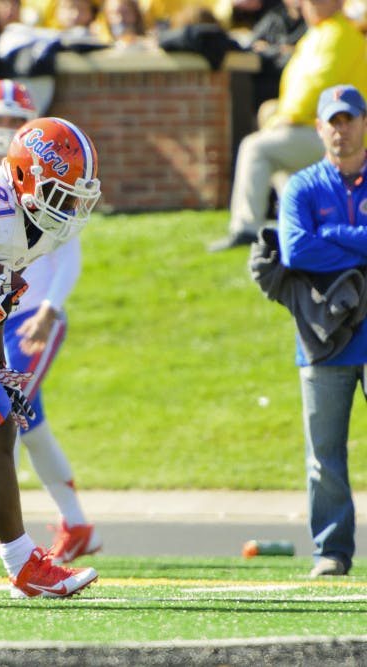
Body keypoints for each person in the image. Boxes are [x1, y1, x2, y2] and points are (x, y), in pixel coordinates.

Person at [0, 80, 100, 567]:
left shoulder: (45, 169)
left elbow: (70, 250)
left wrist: (50, 308)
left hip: (29, 314)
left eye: (14, 119)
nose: (3, 128)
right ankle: (77, 523)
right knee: (33, 424)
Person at [274, 84, 367, 577]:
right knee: (323, 457)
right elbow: (295, 251)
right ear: (319, 128)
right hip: (322, 339)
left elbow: (316, 245)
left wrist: (332, 234)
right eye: (332, 120)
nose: (341, 128)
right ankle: (332, 551)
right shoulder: (303, 186)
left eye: (349, 118)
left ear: (364, 123)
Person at [207, 0, 367, 252]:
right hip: (313, 129)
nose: (307, 6)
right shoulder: (319, 34)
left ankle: (247, 228)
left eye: (314, 1)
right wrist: (279, 114)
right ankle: (296, 225)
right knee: (279, 159)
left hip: (340, 137)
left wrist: (286, 117)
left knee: (255, 148)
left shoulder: (340, 34)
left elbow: (318, 87)